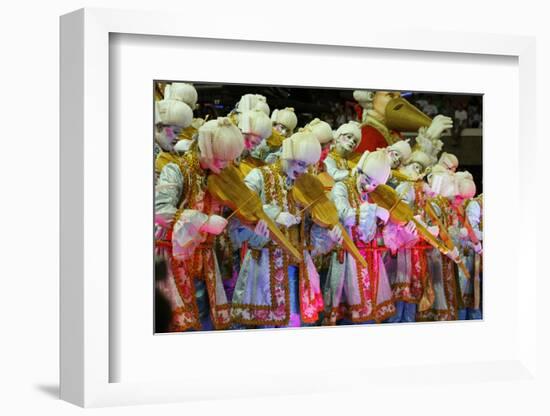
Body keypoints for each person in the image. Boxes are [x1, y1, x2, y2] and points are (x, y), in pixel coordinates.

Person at [229, 132, 343, 327]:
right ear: (286, 155)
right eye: (299, 164)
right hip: (264, 264)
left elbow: (311, 233)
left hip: (298, 266)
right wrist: (273, 216)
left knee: (296, 322)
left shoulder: (306, 185)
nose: (303, 171)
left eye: (308, 166)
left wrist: (327, 232)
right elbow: (238, 214)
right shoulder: (259, 176)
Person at [154, 117, 245, 331]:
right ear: (205, 147)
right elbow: (159, 210)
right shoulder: (175, 170)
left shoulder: (216, 177)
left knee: (206, 319)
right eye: (221, 158)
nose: (225, 164)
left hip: (205, 260)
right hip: (173, 258)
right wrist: (202, 221)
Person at [323, 150, 397, 324]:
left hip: (368, 257)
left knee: (368, 307)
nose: (369, 187)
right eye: (367, 180)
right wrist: (374, 210)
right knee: (348, 308)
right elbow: (344, 215)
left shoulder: (367, 195)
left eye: (374, 185)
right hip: (348, 256)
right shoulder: (341, 187)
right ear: (360, 171)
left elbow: (369, 230)